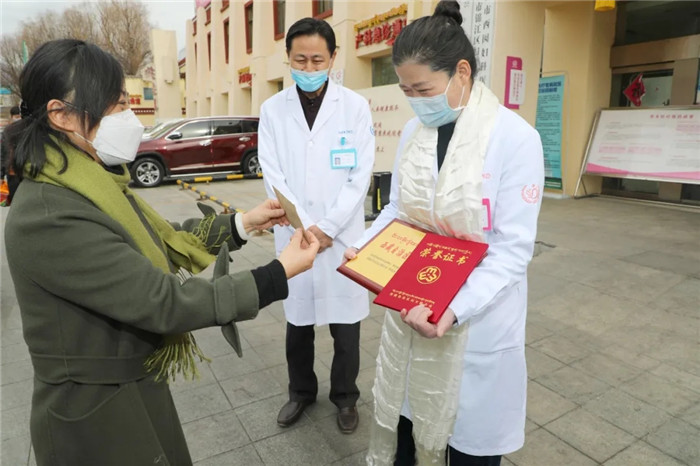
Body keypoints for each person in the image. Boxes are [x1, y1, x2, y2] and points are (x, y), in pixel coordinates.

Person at [3, 39, 320, 466]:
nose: (128, 117)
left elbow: (160, 239)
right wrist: (276, 274)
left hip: (131, 385)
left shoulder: (88, 179)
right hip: (94, 415)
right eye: (116, 105)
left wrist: (243, 223)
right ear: (60, 114)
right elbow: (163, 302)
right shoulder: (50, 212)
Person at [344, 1, 544, 464]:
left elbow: (513, 250)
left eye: (424, 89)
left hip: (475, 320)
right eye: (406, 90)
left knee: (467, 450)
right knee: (408, 436)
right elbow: (399, 209)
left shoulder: (515, 138)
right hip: (415, 308)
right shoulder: (415, 131)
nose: (416, 100)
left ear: (461, 73)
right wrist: (366, 249)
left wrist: (455, 309)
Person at [258, 18, 375, 434]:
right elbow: (272, 172)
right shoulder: (272, 109)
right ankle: (301, 392)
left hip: (340, 236)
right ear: (288, 59)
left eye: (317, 60)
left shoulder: (355, 107)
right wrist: (305, 227)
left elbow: (360, 176)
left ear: (333, 58)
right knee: (298, 322)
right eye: (300, 60)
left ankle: (345, 397)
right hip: (295, 233)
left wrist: (326, 229)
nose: (308, 68)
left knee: (346, 326)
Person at [1, 105, 22, 205]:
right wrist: (1, 175)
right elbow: (3, 153)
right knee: (14, 201)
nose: (18, 119)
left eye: (19, 116)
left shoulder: (27, 130)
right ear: (12, 117)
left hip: (24, 173)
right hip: (12, 173)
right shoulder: (7, 131)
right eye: (16, 116)